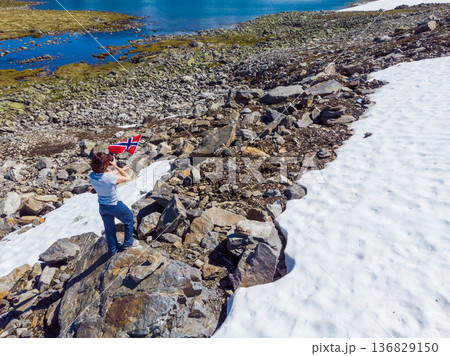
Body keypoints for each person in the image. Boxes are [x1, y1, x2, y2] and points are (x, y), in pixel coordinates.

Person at [89, 152, 138, 255]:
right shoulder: (110, 178)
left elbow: (105, 175)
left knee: (109, 228)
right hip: (114, 204)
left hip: (103, 206)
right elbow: (127, 178)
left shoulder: (92, 176)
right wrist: (116, 166)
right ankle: (128, 242)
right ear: (105, 165)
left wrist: (121, 169)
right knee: (128, 218)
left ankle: (113, 249)